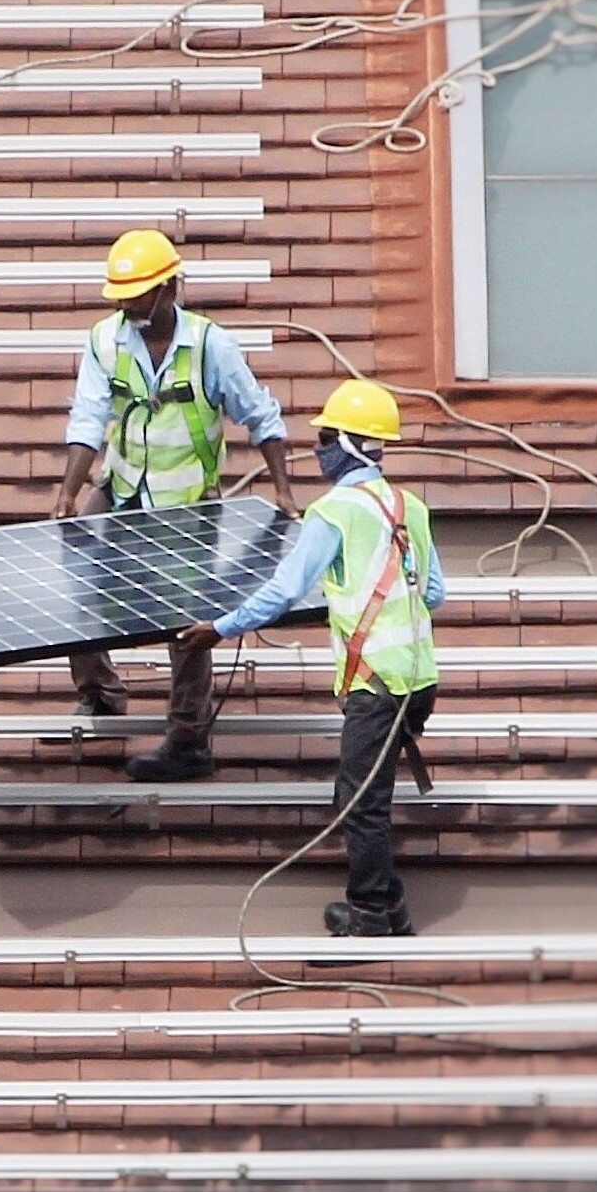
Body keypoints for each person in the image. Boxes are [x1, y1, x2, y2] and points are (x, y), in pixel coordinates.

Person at [179, 379, 444, 938]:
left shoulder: (335, 512)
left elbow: (284, 590)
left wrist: (220, 629)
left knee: (361, 802)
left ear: (347, 443)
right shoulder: (409, 506)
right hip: (420, 680)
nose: (318, 446)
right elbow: (435, 592)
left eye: (325, 436)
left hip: (378, 684)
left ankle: (370, 911)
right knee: (360, 791)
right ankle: (391, 906)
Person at [54, 230, 300, 784]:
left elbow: (260, 415)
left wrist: (284, 492)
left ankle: (188, 739)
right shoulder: (105, 340)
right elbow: (88, 419)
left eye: (136, 295)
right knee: (75, 573)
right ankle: (99, 694)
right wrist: (70, 492)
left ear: (168, 289)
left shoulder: (211, 345)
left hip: (186, 502)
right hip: (121, 489)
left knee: (189, 619)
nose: (125, 305)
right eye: (119, 295)